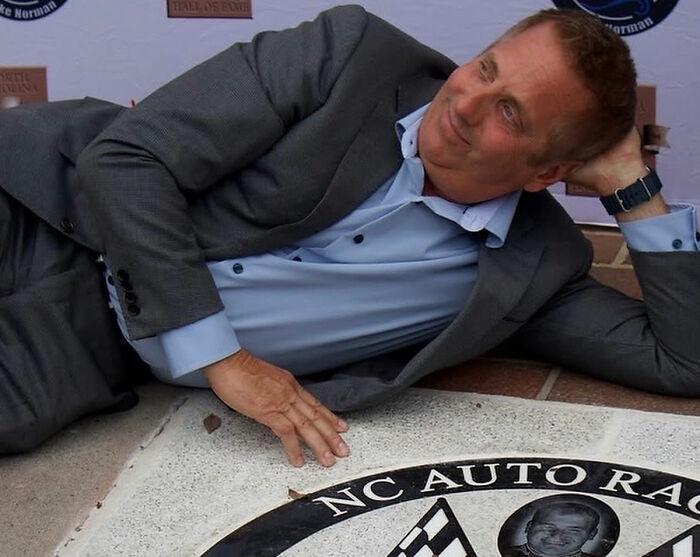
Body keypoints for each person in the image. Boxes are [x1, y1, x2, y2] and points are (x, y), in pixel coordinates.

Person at [1, 5, 698, 463]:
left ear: (549, 170)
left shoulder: (532, 272)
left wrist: (635, 189)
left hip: (89, 348)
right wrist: (224, 360)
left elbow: (684, 361)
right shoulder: (349, 57)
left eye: (509, 113)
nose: (465, 103)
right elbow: (126, 162)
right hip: (43, 205)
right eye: (485, 68)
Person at [501, 500, 604, 557]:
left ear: (592, 534)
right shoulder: (501, 555)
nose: (556, 535)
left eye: (572, 530)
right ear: (529, 527)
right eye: (547, 527)